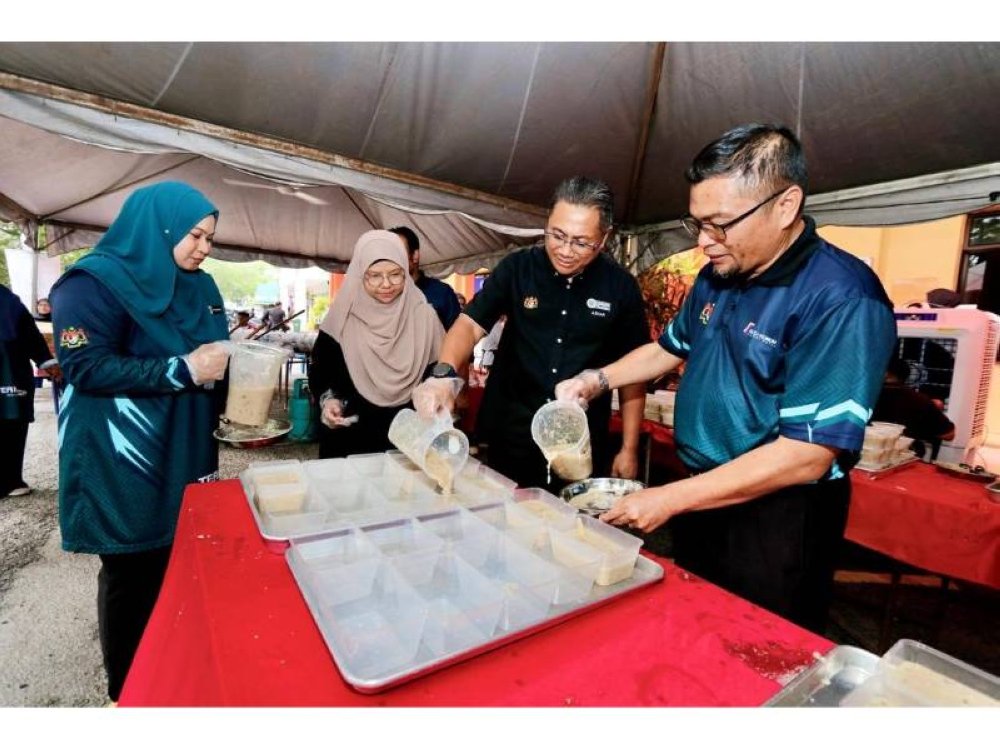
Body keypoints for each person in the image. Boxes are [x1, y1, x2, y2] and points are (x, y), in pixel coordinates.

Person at [556, 124, 897, 632]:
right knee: (697, 623)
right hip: (704, 493)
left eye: (720, 224)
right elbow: (667, 349)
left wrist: (667, 499)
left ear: (785, 205)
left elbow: (807, 454)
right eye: (696, 223)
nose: (704, 241)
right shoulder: (722, 272)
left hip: (775, 514)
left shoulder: (841, 298)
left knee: (760, 643)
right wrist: (596, 379)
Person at [49, 181, 231, 703]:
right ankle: (128, 691)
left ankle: (172, 669)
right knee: (132, 566)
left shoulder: (202, 286)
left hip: (187, 441)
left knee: (182, 559)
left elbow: (215, 353)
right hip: (122, 451)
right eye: (195, 235)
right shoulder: (90, 284)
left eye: (211, 238)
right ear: (161, 228)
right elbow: (85, 366)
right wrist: (183, 368)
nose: (203, 247)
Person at [412, 176, 649, 491]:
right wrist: (443, 375)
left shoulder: (620, 287)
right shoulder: (518, 268)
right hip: (512, 429)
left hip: (578, 440)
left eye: (581, 242)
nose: (564, 250)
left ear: (603, 239)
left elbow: (635, 369)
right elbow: (469, 324)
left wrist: (629, 448)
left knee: (567, 529)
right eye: (557, 235)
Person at [310, 230, 444, 459]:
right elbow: (321, 372)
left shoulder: (425, 317)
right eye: (374, 275)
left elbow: (440, 371)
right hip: (348, 440)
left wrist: (436, 394)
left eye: (395, 274)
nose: (386, 284)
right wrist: (329, 400)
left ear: (407, 271)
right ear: (360, 274)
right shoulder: (342, 318)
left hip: (406, 442)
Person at [1, 284, 59, 498]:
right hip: (12, 372)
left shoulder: (8, 300)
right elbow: (30, 335)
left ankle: (12, 479)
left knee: (14, 423)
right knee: (13, 423)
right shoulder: (9, 300)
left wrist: (46, 361)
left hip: (11, 371)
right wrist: (46, 361)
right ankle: (11, 479)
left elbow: (29, 333)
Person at [872, 354, 955, 460]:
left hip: (863, 456)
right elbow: (948, 435)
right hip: (903, 458)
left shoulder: (863, 397)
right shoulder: (921, 401)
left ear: (886, 374)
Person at [390, 226, 462, 330]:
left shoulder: (442, 293)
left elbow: (458, 339)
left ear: (415, 256)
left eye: (398, 251)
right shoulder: (381, 295)